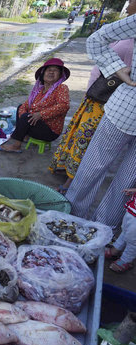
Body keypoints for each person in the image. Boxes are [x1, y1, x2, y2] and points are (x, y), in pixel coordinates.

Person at [49, 0, 136, 194]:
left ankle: (70, 187)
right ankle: (67, 174)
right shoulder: (125, 29)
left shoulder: (132, 41)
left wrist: (118, 71)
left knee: (86, 145)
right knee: (78, 137)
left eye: (132, 0)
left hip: (107, 100)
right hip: (95, 95)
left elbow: (126, 70)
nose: (128, 3)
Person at [65, 14, 136, 230]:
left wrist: (116, 67)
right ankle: (90, 228)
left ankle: (81, 227)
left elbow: (96, 40)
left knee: (124, 181)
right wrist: (118, 68)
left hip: (125, 106)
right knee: (101, 172)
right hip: (125, 108)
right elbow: (96, 40)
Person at [0, 58, 70, 152]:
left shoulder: (61, 88)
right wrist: (23, 121)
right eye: (49, 70)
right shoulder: (39, 91)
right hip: (36, 125)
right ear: (43, 73)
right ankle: (24, 135)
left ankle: (16, 146)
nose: (51, 73)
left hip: (49, 131)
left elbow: (64, 106)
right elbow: (25, 105)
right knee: (21, 108)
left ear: (60, 75)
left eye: (55, 70)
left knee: (26, 117)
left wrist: (41, 114)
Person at [104, 187, 136, 273]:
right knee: (125, 229)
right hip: (133, 208)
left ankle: (126, 260)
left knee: (133, 239)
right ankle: (116, 248)